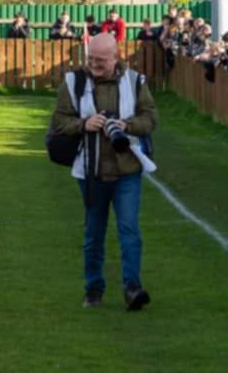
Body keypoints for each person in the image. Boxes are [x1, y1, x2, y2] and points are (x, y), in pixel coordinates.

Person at [50, 33, 158, 311]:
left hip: (127, 169)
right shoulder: (74, 82)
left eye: (100, 60)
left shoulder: (135, 81)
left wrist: (127, 125)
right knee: (93, 233)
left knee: (129, 230)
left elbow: (151, 118)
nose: (94, 65)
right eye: (91, 59)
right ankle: (93, 289)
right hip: (91, 170)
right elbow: (59, 120)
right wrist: (85, 124)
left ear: (116, 56)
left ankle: (132, 288)